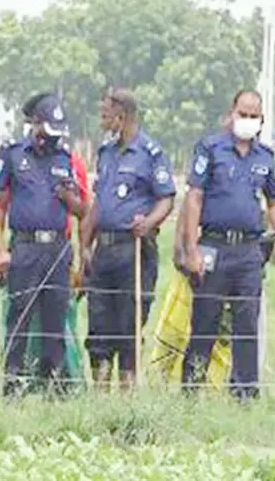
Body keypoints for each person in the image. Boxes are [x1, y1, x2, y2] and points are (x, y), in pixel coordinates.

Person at [181, 89, 275, 402]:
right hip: (213, 246)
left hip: (248, 252)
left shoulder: (265, 157)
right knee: (205, 321)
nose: (248, 120)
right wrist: (191, 250)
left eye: (254, 116)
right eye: (244, 113)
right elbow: (194, 198)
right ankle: (190, 392)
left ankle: (243, 395)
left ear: (261, 119)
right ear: (232, 112)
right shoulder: (211, 148)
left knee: (246, 324)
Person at [0, 93, 84, 395]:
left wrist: (71, 200)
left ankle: (51, 384)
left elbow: (83, 210)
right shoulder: (13, 154)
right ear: (36, 124)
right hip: (25, 248)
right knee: (20, 317)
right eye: (48, 129)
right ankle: (13, 385)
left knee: (55, 320)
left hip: (57, 250)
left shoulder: (64, 159)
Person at [81, 88, 175, 390]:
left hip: (133, 251)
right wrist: (84, 244)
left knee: (128, 326)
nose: (103, 119)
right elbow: (100, 202)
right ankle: (100, 393)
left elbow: (166, 199)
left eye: (107, 113)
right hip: (103, 252)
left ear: (123, 115)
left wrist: (148, 223)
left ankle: (126, 396)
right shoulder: (106, 153)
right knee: (98, 325)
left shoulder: (150, 153)